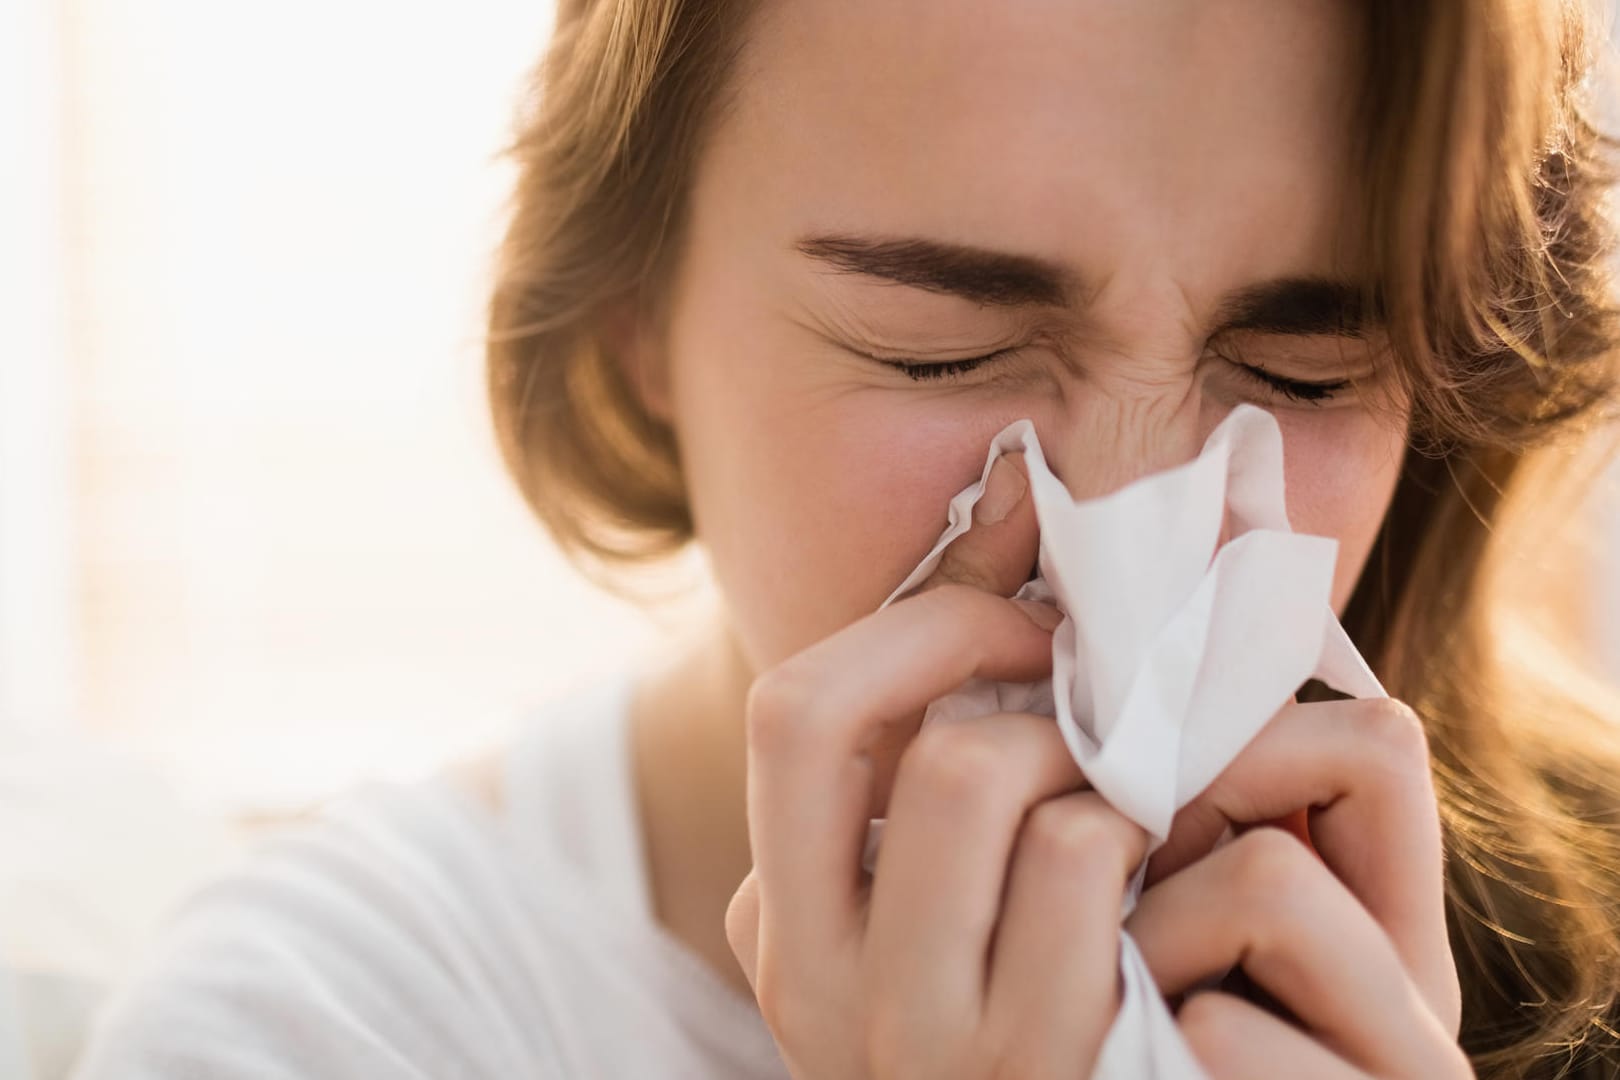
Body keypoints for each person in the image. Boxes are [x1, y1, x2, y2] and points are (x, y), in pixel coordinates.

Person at [72, 0, 1620, 1077]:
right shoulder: (334, 1031)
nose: (1126, 552)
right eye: (940, 350)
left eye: (1304, 377)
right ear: (632, 327)